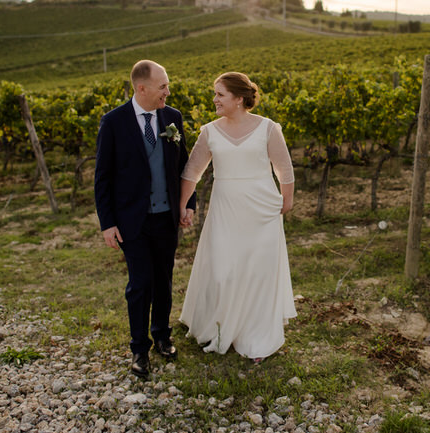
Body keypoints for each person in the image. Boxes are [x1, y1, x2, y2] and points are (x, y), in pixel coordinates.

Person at [178, 72, 297, 363]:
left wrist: (286, 200)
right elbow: (191, 172)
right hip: (225, 209)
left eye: (220, 94)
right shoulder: (209, 131)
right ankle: (221, 327)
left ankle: (255, 335)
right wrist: (183, 205)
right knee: (224, 270)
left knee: (258, 270)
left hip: (261, 210)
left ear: (239, 98)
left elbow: (285, 168)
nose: (214, 99)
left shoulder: (269, 128)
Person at [94, 59, 196, 378]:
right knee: (140, 284)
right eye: (163, 86)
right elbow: (103, 177)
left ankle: (162, 336)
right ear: (142, 88)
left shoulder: (172, 118)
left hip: (166, 218)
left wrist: (188, 203)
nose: (168, 91)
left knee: (164, 279)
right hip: (131, 221)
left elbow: (185, 167)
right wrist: (107, 223)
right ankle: (139, 349)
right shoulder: (114, 122)